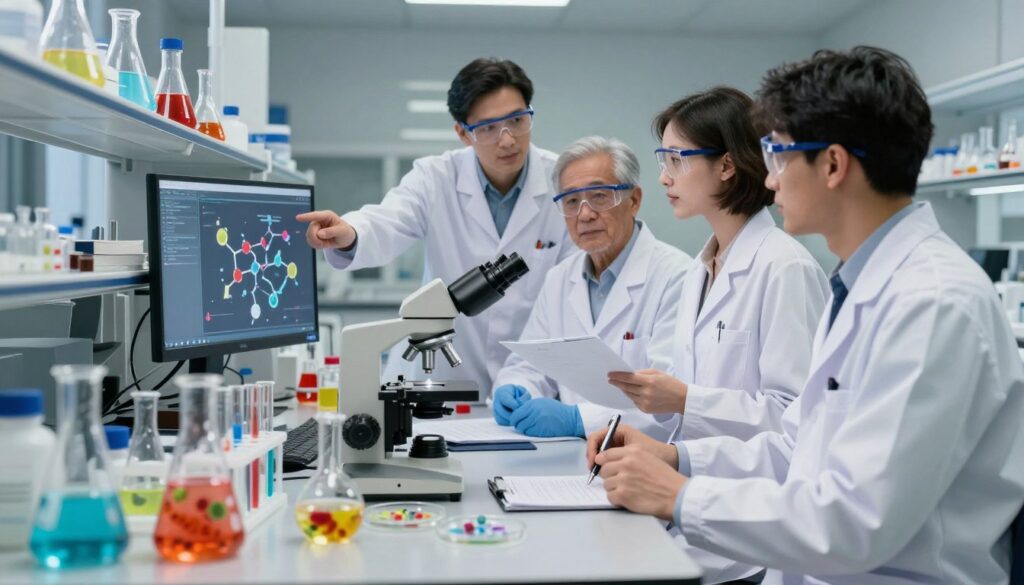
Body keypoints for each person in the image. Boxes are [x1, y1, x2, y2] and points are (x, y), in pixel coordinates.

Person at [587, 46, 1024, 584]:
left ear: (834, 164)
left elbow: (856, 522)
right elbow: (797, 446)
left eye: (777, 156)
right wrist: (675, 459)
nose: (768, 179)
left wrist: (680, 497)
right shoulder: (866, 286)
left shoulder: (931, 304)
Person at [296, 58, 573, 398]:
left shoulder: (563, 181)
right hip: (441, 377)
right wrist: (350, 233)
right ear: (462, 133)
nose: (507, 140)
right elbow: (389, 218)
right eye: (488, 128)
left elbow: (576, 283)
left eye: (517, 121)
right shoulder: (435, 177)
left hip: (532, 383)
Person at [608, 87, 828, 449]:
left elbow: (797, 417)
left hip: (755, 493)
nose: (664, 177)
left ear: (726, 165)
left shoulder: (785, 266)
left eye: (676, 160)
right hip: (697, 482)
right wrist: (645, 430)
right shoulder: (701, 268)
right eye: (664, 161)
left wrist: (684, 399)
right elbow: (693, 399)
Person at [491, 136, 691, 440]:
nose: (584, 214)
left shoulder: (677, 275)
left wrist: (577, 419)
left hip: (641, 458)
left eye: (599, 196)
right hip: (568, 456)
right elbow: (531, 364)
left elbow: (671, 403)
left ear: (634, 200)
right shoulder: (560, 278)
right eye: (571, 201)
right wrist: (518, 387)